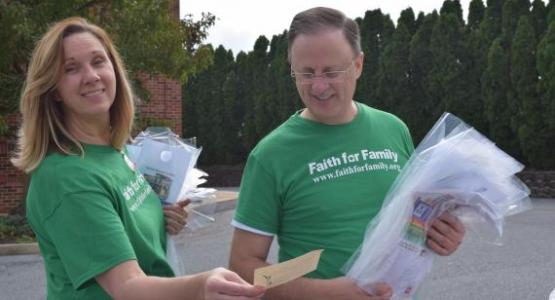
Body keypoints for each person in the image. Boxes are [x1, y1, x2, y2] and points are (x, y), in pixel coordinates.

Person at [11, 17, 265, 300]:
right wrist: (201, 286)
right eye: (71, 68)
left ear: (114, 69)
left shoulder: (114, 151)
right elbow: (127, 287)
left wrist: (160, 217)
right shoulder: (66, 177)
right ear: (53, 89)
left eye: (98, 61)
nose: (92, 76)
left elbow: (121, 220)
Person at [229, 7, 465, 300]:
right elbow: (243, 267)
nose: (318, 86)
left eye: (331, 71)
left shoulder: (394, 129)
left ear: (358, 65)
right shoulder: (270, 156)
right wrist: (325, 292)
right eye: (305, 73)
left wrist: (442, 235)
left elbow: (414, 220)